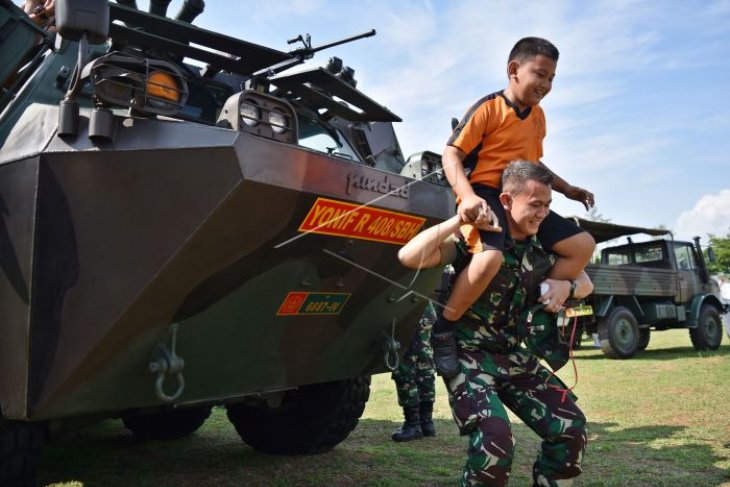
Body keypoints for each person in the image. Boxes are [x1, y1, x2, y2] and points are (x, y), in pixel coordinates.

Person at [399, 161, 593, 486]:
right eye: (535, 205)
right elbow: (409, 256)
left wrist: (567, 286)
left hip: (515, 356)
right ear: (506, 201)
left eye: (548, 206)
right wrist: (458, 219)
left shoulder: (545, 247)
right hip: (468, 357)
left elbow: (586, 282)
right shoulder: (477, 242)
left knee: (570, 427)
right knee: (495, 440)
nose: (543, 213)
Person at [433, 37, 596, 377]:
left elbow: (534, 164)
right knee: (490, 257)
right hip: (487, 193)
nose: (546, 84)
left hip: (522, 197)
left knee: (582, 246)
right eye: (540, 74)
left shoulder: (538, 118)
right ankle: (444, 329)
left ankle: (535, 310)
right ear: (513, 70)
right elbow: (452, 153)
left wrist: (567, 189)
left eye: (551, 78)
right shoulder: (488, 108)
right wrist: (469, 198)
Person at [390, 302, 437, 442]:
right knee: (424, 364)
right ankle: (426, 423)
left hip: (407, 309)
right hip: (424, 308)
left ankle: (413, 425)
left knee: (404, 366)